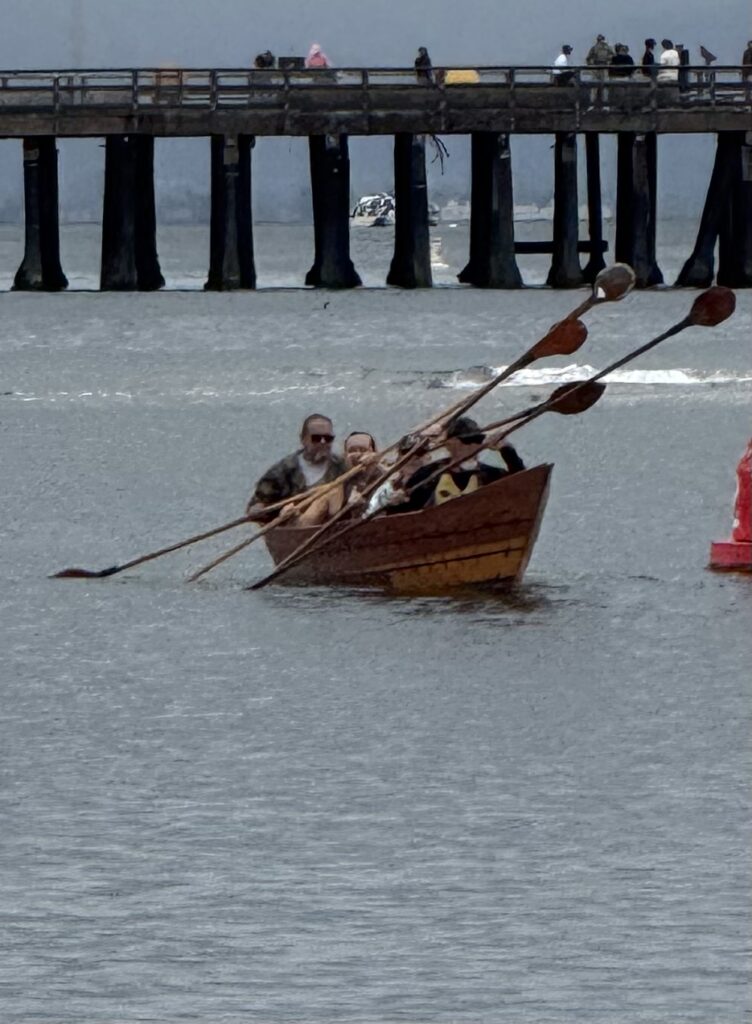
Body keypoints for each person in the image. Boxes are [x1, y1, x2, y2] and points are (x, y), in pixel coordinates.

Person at [382, 415, 525, 514]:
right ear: (451, 444)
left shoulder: (490, 474)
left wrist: (507, 450)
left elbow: (523, 484)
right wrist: (395, 503)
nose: (472, 447)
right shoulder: (429, 475)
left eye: (476, 442)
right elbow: (407, 510)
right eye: (467, 442)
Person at [245, 413, 346, 519]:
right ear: (303, 439)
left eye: (328, 438)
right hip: (291, 524)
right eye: (317, 438)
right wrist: (257, 509)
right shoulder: (282, 470)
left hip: (333, 525)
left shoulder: (341, 466)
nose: (323, 442)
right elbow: (257, 503)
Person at [296, 431, 381, 526]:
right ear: (345, 455)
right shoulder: (339, 480)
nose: (358, 454)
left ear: (374, 453)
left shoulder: (385, 474)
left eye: (363, 450)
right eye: (352, 450)